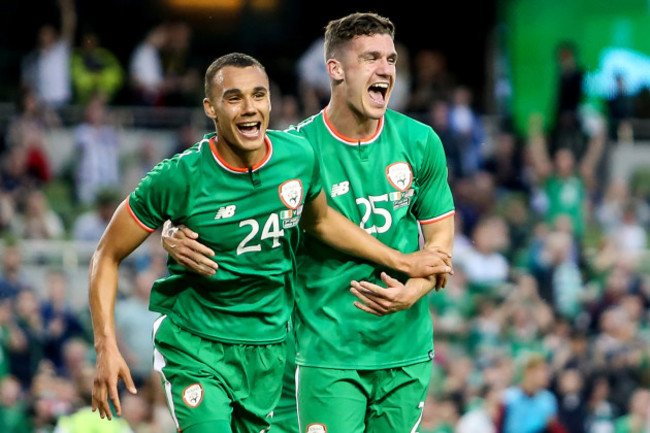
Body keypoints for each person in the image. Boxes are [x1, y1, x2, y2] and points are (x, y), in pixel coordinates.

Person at [89, 52, 451, 433]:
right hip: (196, 345)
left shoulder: (297, 158)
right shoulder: (179, 177)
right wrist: (105, 346)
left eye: (259, 95)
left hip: (270, 351)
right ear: (210, 108)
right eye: (234, 98)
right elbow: (106, 254)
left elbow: (324, 222)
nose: (249, 108)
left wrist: (404, 262)